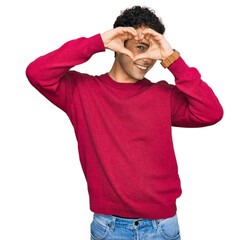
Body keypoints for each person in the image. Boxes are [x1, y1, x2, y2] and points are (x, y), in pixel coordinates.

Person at [26, 5, 223, 240]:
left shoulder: (163, 95)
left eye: (153, 51)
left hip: (161, 226)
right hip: (109, 227)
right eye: (141, 48)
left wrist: (172, 59)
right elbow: (37, 73)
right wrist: (99, 42)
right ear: (119, 46)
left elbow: (211, 112)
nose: (147, 59)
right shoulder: (81, 91)